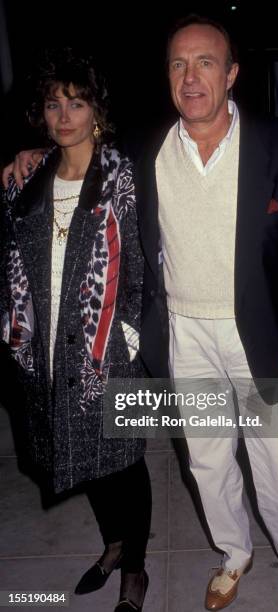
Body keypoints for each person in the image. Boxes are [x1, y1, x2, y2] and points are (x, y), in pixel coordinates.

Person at [3, 15, 278, 612]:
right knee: (207, 459)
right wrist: (32, 154)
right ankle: (234, 555)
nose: (191, 76)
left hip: (259, 334)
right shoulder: (141, 151)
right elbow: (78, 151)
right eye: (179, 64)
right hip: (183, 331)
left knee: (277, 461)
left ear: (231, 74)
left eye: (206, 62)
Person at [0, 48, 150, 612]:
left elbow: (142, 263)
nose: (64, 115)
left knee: (124, 464)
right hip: (46, 352)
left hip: (107, 350)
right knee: (80, 459)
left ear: (97, 112)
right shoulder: (27, 178)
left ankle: (134, 569)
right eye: (53, 103)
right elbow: (11, 260)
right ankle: (113, 543)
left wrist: (127, 340)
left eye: (77, 102)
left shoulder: (122, 175)